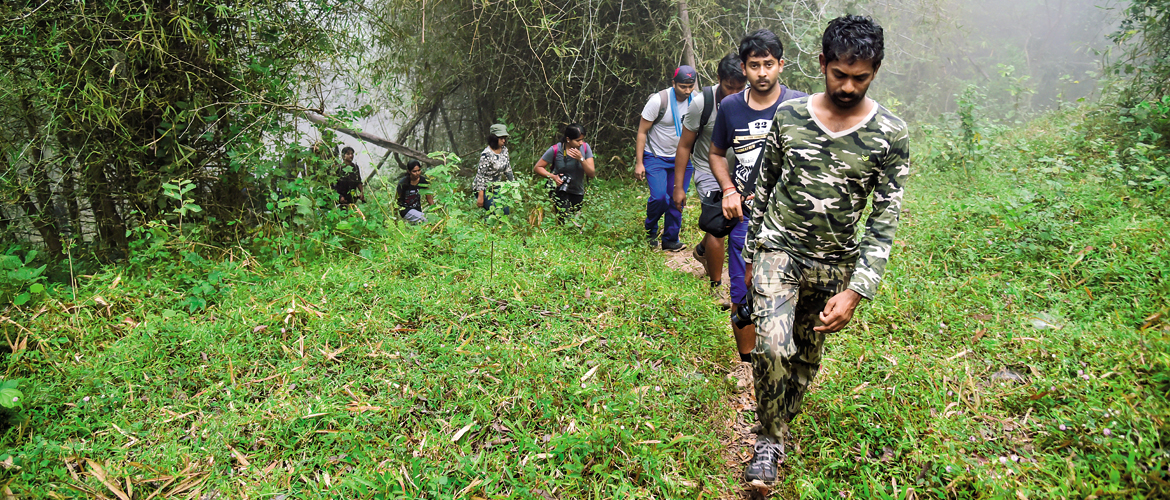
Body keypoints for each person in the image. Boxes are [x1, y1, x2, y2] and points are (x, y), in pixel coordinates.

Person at [739, 16, 909, 485]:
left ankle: (782, 420)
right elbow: (764, 185)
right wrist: (752, 254)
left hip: (835, 265)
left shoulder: (890, 135)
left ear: (875, 70)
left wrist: (858, 290)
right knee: (773, 346)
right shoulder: (789, 117)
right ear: (822, 64)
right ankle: (768, 441)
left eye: (861, 77)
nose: (849, 86)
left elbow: (884, 219)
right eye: (839, 74)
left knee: (803, 363)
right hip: (780, 248)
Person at [709, 30, 807, 373]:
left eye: (769, 64)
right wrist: (729, 190)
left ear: (781, 65)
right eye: (754, 65)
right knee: (742, 289)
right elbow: (717, 153)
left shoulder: (801, 104)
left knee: (792, 291)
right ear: (744, 68)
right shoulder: (731, 107)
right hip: (746, 217)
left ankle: (785, 356)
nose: (762, 72)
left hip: (792, 219)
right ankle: (749, 366)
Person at [671, 53, 747, 304]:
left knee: (736, 220)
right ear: (719, 79)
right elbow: (684, 146)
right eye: (729, 87)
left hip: (743, 172)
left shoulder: (752, 100)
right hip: (708, 170)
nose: (734, 93)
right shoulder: (701, 103)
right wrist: (679, 187)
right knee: (720, 226)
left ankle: (703, 250)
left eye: (740, 87)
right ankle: (717, 286)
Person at [634, 65, 697, 251]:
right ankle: (651, 230)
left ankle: (670, 239)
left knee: (677, 200)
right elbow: (642, 132)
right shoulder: (658, 101)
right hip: (655, 156)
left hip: (682, 159)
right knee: (660, 197)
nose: (687, 91)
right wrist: (639, 163)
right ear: (673, 83)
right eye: (683, 86)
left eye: (690, 86)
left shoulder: (697, 101)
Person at [534, 123, 595, 224]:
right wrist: (553, 177)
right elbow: (538, 167)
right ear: (568, 139)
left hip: (578, 191)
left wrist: (581, 159)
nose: (581, 143)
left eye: (582, 139)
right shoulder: (556, 149)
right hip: (560, 190)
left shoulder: (585, 148)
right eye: (577, 140)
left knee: (576, 222)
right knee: (565, 221)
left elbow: (591, 173)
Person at [473, 123, 515, 215]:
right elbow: (480, 175)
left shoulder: (504, 150)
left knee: (505, 210)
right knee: (496, 211)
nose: (504, 140)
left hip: (496, 187)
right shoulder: (486, 154)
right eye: (501, 138)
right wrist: (481, 196)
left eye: (505, 138)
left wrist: (514, 189)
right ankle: (486, 226)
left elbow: (508, 170)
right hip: (483, 188)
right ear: (494, 138)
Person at [396, 159, 433, 224]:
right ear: (409, 171)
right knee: (424, 218)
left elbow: (429, 198)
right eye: (414, 171)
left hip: (417, 209)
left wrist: (435, 210)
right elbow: (396, 200)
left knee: (420, 227)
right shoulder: (403, 183)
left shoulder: (423, 181)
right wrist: (395, 219)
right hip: (405, 210)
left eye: (419, 170)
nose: (417, 173)